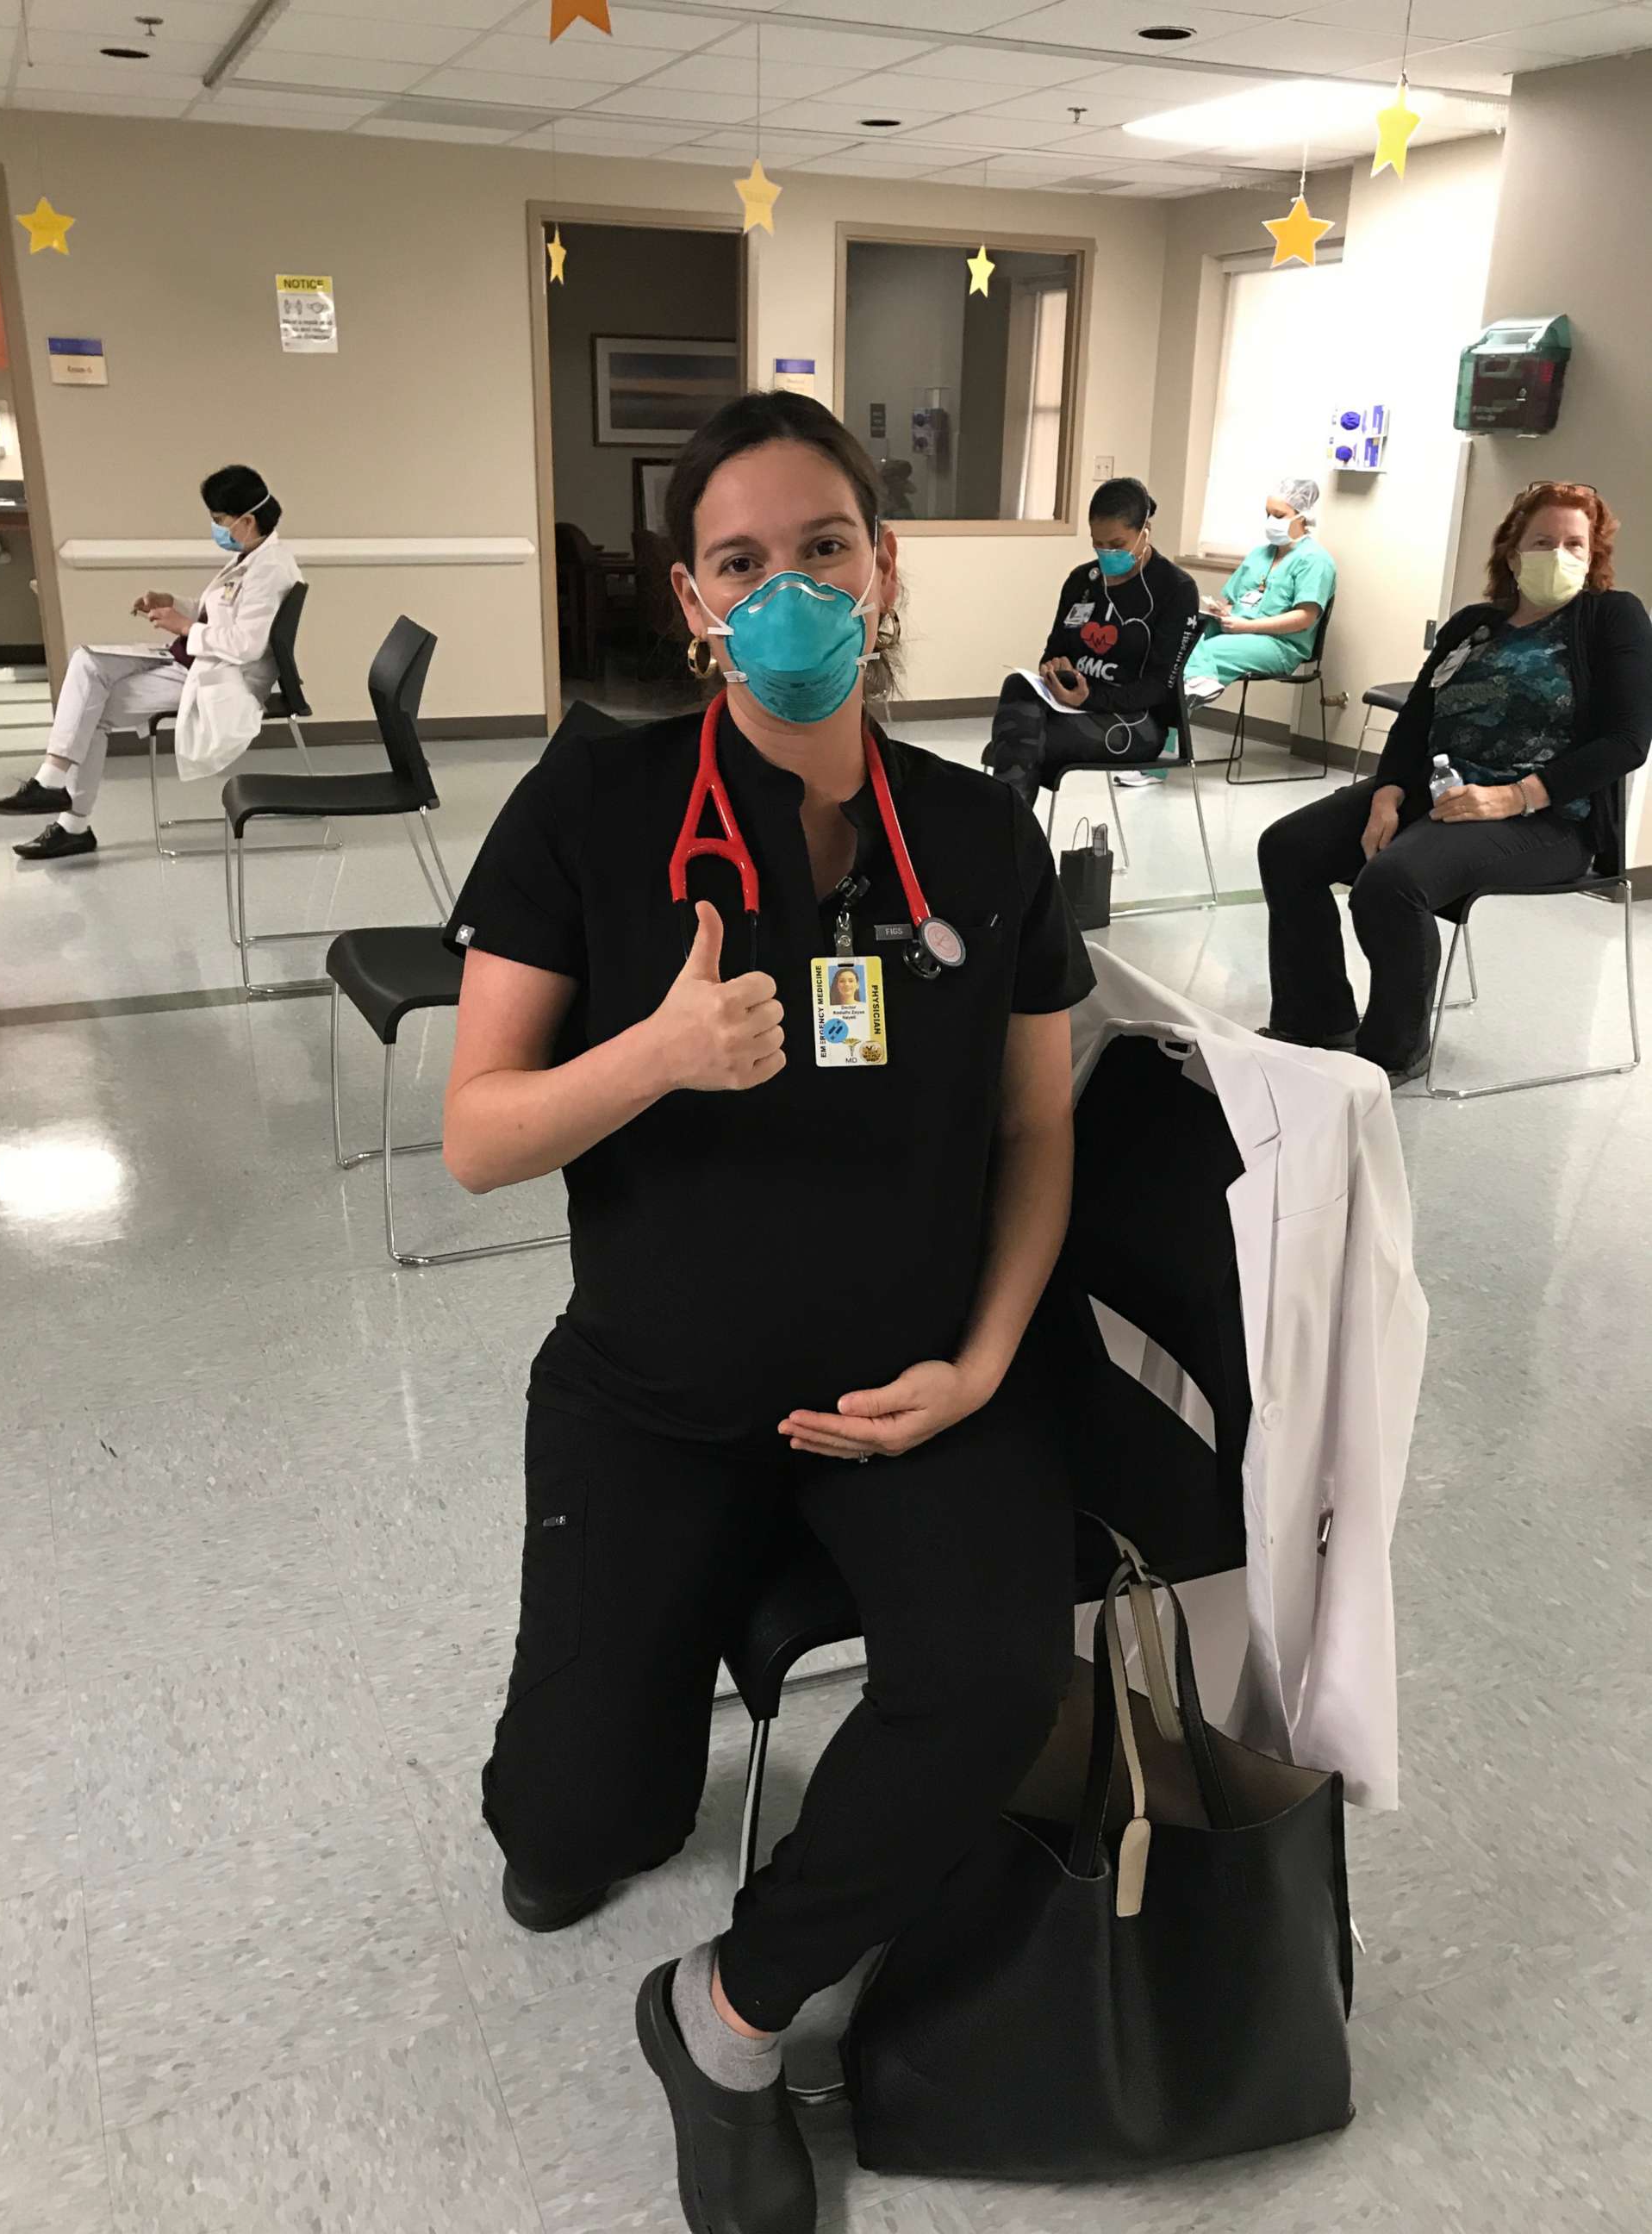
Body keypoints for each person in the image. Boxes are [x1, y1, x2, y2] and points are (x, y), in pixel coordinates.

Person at [440, 389, 1093, 2234]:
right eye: (746, 561)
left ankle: (724, 2021)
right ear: (692, 600)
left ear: (882, 574)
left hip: (902, 1387)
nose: (791, 587)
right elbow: (479, 1136)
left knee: (988, 1681)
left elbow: (1041, 1127)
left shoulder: (976, 838)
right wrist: (647, 1054)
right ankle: (661, 1641)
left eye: (826, 549)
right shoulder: (596, 801)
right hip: (654, 1391)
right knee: (564, 1843)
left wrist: (977, 1365)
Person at [1259, 480, 1652, 1083]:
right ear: (1514, 552)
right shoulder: (1474, 624)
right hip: (1439, 790)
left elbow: (1627, 742)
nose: (1561, 554)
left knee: (1390, 883)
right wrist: (1388, 792)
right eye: (1544, 541)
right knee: (1287, 848)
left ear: (1594, 554)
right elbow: (1417, 714)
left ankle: (1394, 1049)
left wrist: (1514, 796)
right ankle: (1316, 1018)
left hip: (1546, 818)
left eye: (1576, 544)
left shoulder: (1611, 618)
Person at [0, 465, 299, 861]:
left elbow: (246, 645)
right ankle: (56, 791)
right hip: (191, 661)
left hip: (222, 678)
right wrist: (174, 603)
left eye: (220, 521)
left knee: (89, 706)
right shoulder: (252, 556)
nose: (216, 529)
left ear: (248, 520)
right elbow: (219, 612)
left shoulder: (270, 569)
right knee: (87, 664)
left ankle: (69, 817)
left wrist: (183, 625)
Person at [982, 476, 1198, 808]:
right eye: (1099, 545)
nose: (1107, 554)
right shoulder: (1082, 580)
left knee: (1020, 744)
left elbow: (1158, 687)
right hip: (1071, 706)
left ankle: (1008, 840)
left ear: (1145, 532)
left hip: (1137, 721)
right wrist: (1055, 669)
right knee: (1018, 689)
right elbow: (1054, 650)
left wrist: (1089, 697)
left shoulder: (1175, 589)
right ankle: (1012, 838)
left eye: (1118, 544)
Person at [1182, 474, 1337, 708]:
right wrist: (1224, 612)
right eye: (1268, 514)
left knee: (1209, 652)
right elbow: (1235, 602)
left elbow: (1305, 618)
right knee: (1182, 638)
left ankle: (1179, 713)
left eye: (1278, 515)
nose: (1270, 520)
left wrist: (1248, 626)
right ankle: (1182, 703)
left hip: (1280, 645)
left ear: (1302, 517)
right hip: (1240, 631)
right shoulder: (1259, 555)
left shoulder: (1315, 560)